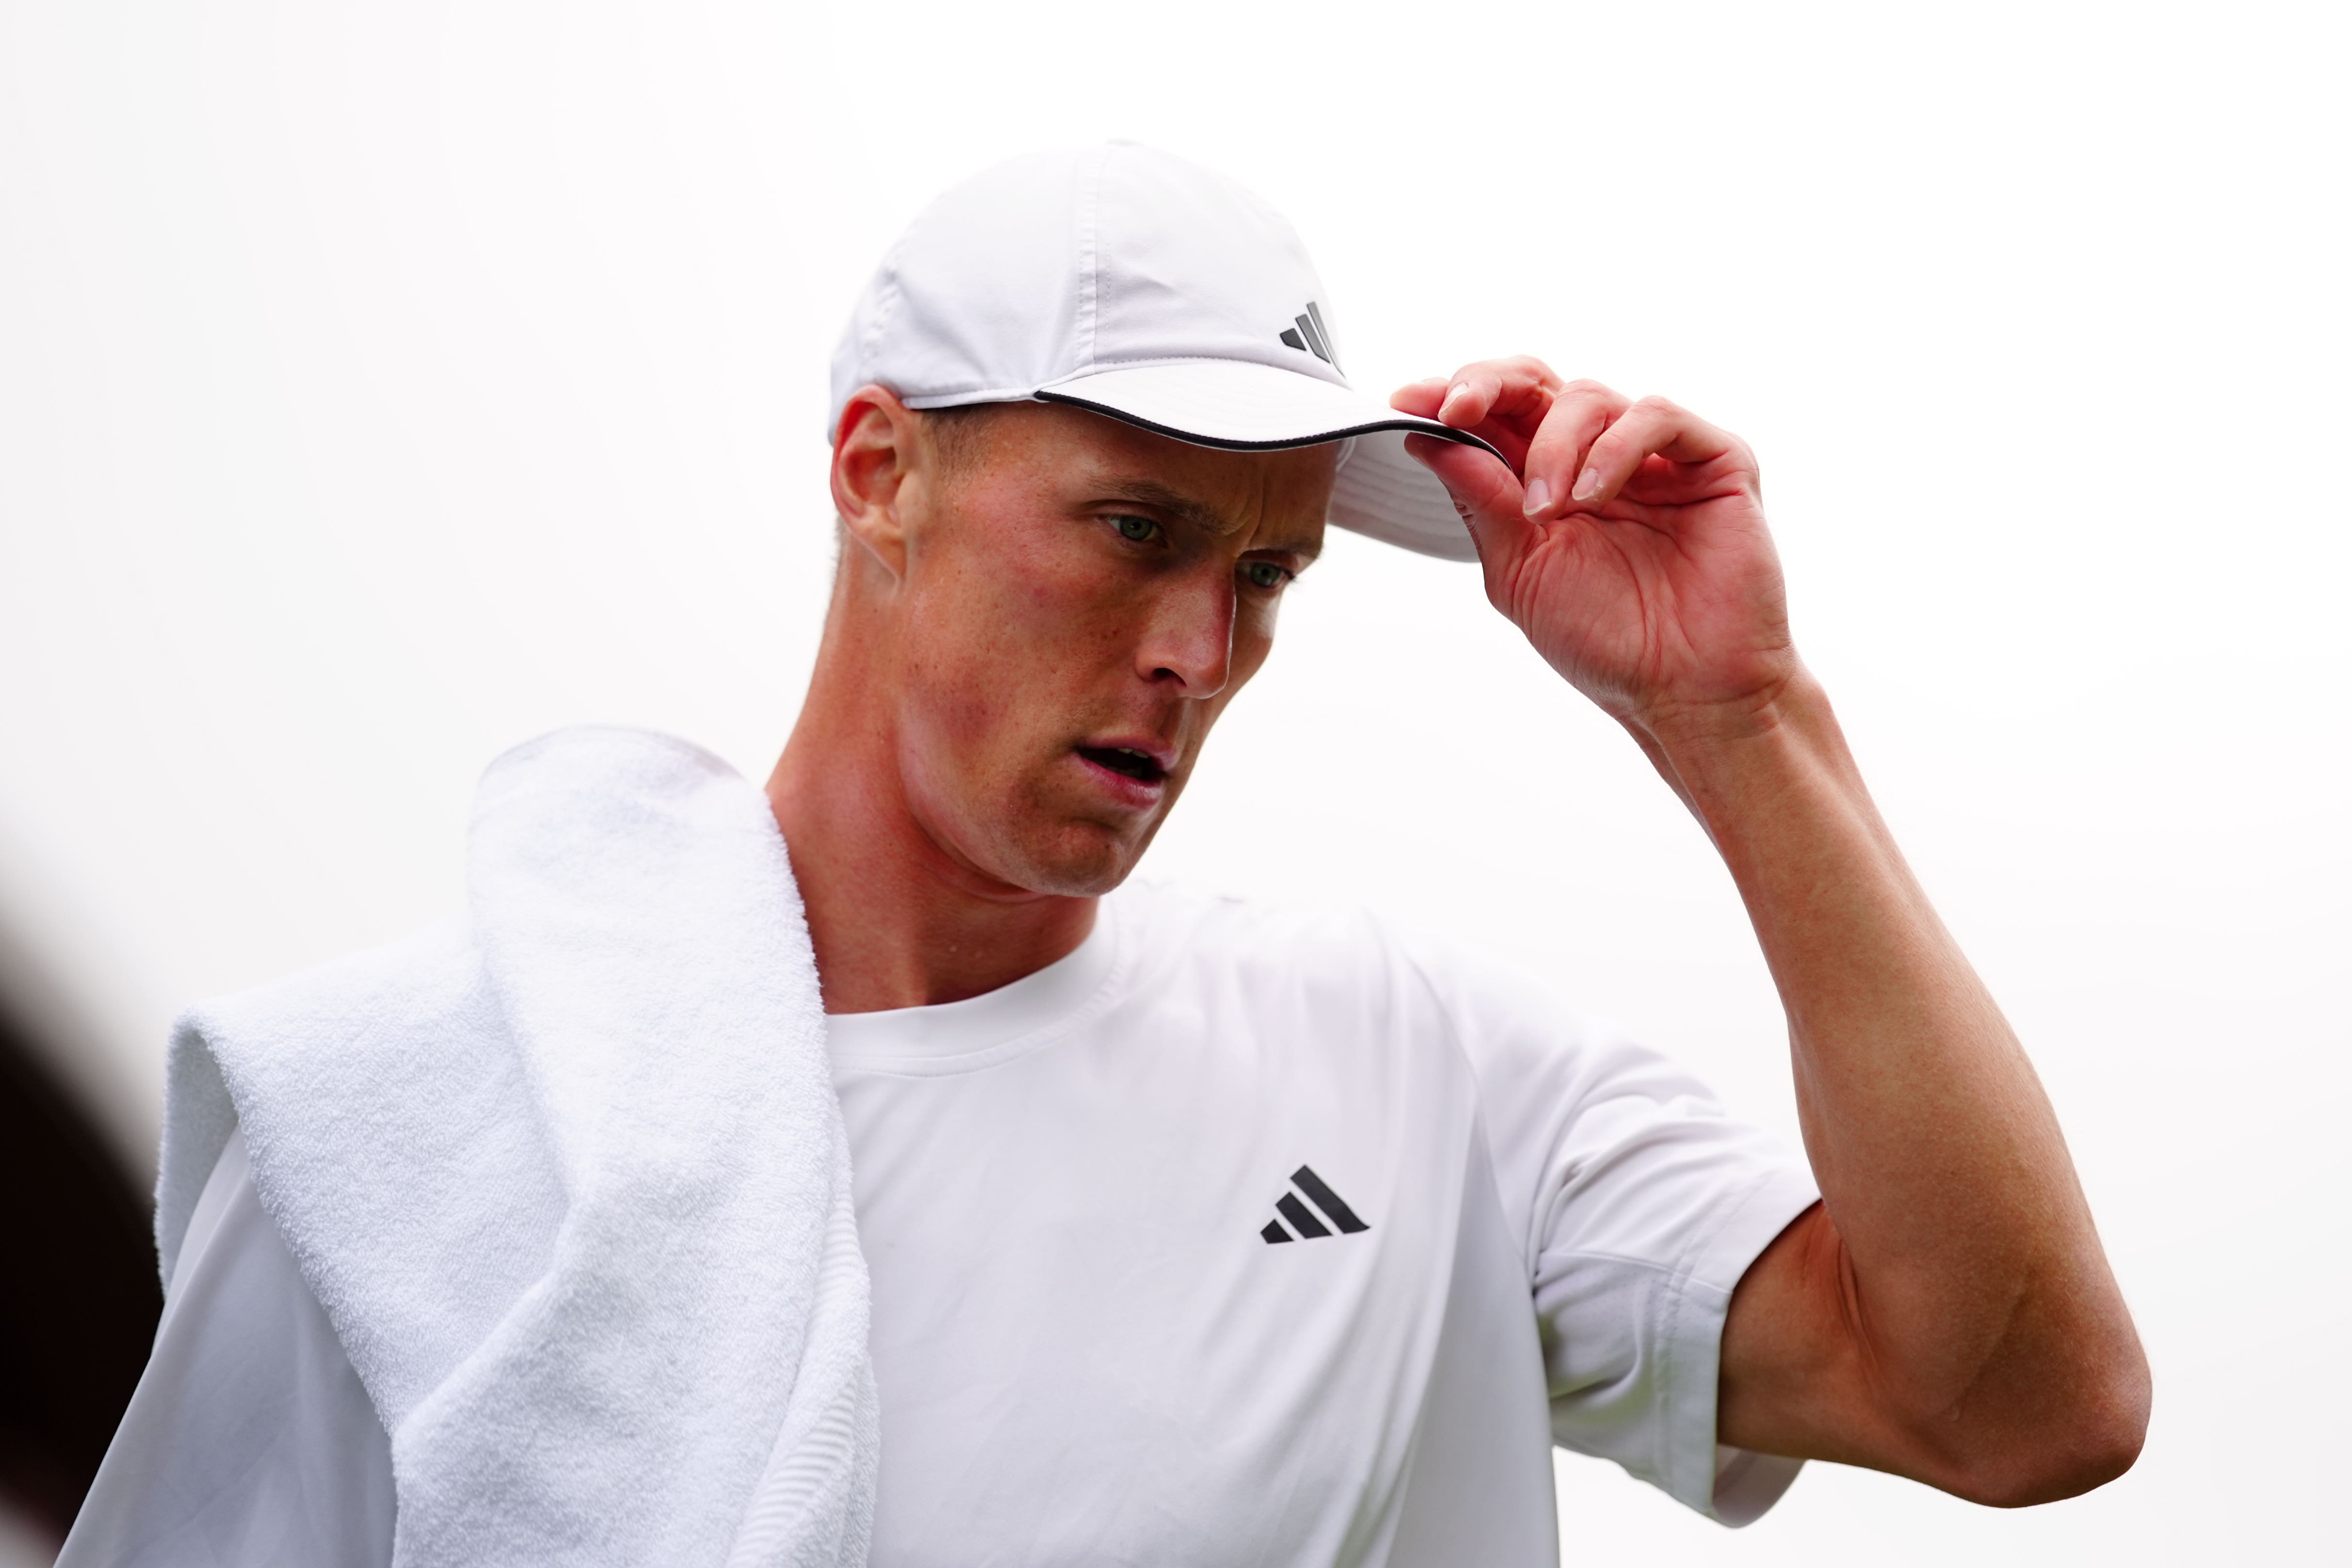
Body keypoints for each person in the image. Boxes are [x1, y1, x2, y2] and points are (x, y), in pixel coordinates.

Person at [62, 144, 2146, 1567]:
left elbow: (2022, 1401)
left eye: (1265, 572)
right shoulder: (420, 1133)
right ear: (881, 469)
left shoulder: (1408, 1060)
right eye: (1134, 532)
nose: (1199, 649)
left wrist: (1739, 718)